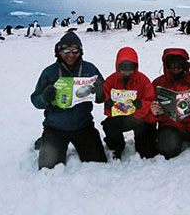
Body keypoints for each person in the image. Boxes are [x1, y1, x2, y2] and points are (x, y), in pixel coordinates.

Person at [31, 31, 107, 169]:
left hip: (83, 127)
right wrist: (44, 98)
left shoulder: (90, 69)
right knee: (48, 168)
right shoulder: (49, 72)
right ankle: (46, 140)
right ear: (59, 51)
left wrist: (101, 93)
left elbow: (104, 96)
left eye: (75, 51)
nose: (71, 55)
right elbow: (35, 100)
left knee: (98, 163)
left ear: (80, 52)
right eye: (66, 50)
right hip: (55, 128)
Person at [147, 48, 190, 159]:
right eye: (172, 66)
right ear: (166, 66)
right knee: (168, 150)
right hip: (170, 126)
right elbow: (149, 114)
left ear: (185, 65)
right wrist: (154, 113)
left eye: (179, 66)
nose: (176, 69)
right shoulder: (158, 83)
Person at [102, 47, 157, 159]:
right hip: (120, 117)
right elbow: (105, 93)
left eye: (130, 68)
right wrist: (108, 102)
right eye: (123, 68)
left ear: (135, 67)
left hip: (140, 118)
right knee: (109, 126)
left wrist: (141, 104)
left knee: (147, 152)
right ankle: (116, 147)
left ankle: (144, 145)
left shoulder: (143, 80)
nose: (127, 72)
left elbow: (150, 100)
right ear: (118, 66)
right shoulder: (111, 80)